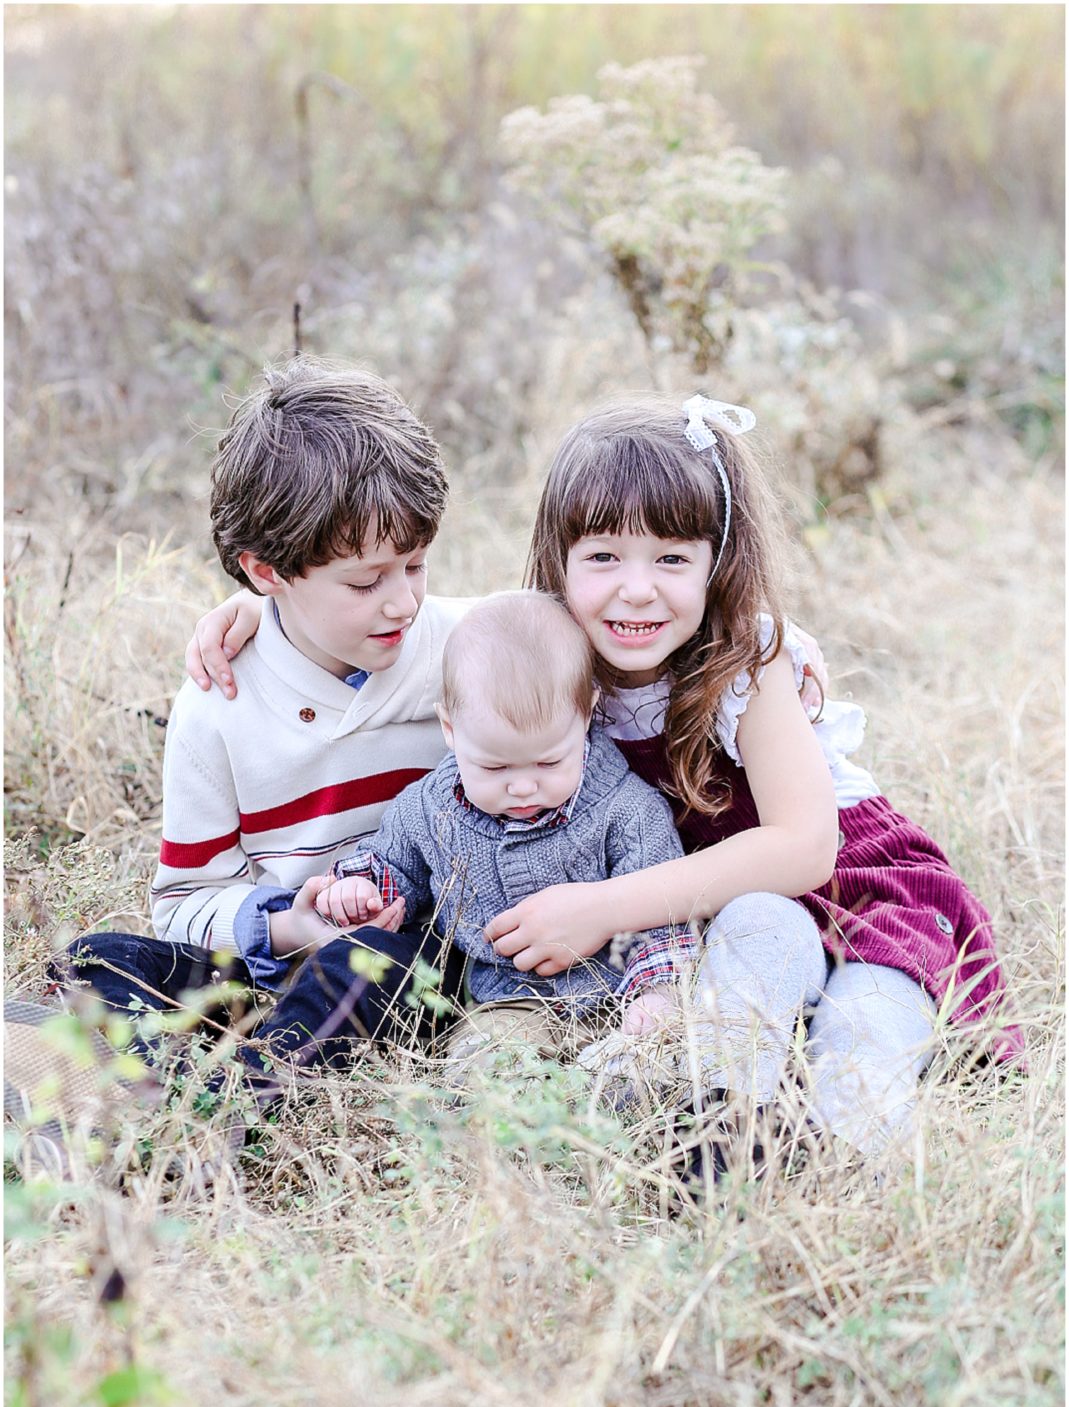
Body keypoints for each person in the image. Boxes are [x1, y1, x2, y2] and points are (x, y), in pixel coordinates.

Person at [186, 392, 1023, 1163]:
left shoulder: (747, 666)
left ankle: (854, 1182)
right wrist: (267, 616)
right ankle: (726, 1138)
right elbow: (422, 625)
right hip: (723, 911)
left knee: (863, 1042)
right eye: (603, 555)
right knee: (738, 1000)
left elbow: (806, 849)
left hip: (855, 892)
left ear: (715, 562)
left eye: (670, 558)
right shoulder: (551, 653)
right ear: (556, 563)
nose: (635, 589)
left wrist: (598, 909)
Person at [54, 356, 478, 1103]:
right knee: (93, 960)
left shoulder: (468, 650)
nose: (402, 603)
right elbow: (184, 901)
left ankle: (243, 1098)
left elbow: (568, 627)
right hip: (276, 966)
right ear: (266, 572)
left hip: (410, 961)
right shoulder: (218, 703)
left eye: (414, 566)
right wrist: (292, 927)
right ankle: (159, 1071)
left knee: (364, 965)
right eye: (365, 581)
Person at [309, 590, 697, 1064]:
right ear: (450, 730)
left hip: (616, 999)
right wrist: (359, 891)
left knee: (642, 1073)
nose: (523, 788)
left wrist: (657, 994)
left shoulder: (628, 811)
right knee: (485, 1069)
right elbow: (395, 867)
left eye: (549, 761)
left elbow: (662, 912)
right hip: (507, 1004)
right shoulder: (434, 807)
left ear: (587, 714)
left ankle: (614, 1087)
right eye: (495, 769)